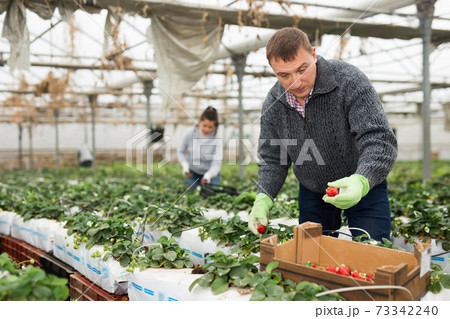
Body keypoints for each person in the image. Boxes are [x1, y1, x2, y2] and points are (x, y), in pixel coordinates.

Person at [248, 28, 398, 242]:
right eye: (284, 75)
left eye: (302, 69)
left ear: (314, 55)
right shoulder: (274, 103)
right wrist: (263, 198)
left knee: (373, 250)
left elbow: (379, 140)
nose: (295, 82)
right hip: (313, 191)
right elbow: (273, 159)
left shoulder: (349, 81)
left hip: (363, 184)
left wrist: (361, 181)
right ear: (273, 71)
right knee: (313, 254)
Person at [177, 106, 223, 189]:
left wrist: (209, 175)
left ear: (215, 126)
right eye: (204, 125)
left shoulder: (217, 138)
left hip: (210, 173)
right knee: (194, 192)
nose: (206, 129)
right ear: (199, 122)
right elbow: (180, 151)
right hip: (193, 172)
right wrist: (185, 165)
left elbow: (217, 162)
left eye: (210, 127)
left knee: (213, 193)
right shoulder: (190, 133)